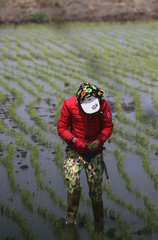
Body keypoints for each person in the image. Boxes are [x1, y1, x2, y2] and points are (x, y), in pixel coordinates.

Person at [57, 82, 113, 230]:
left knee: (95, 187)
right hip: (75, 150)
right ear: (79, 101)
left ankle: (99, 222)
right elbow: (62, 128)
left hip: (94, 152)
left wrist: (99, 140)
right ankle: (71, 217)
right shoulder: (69, 105)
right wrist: (74, 140)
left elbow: (108, 126)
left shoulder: (103, 105)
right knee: (72, 182)